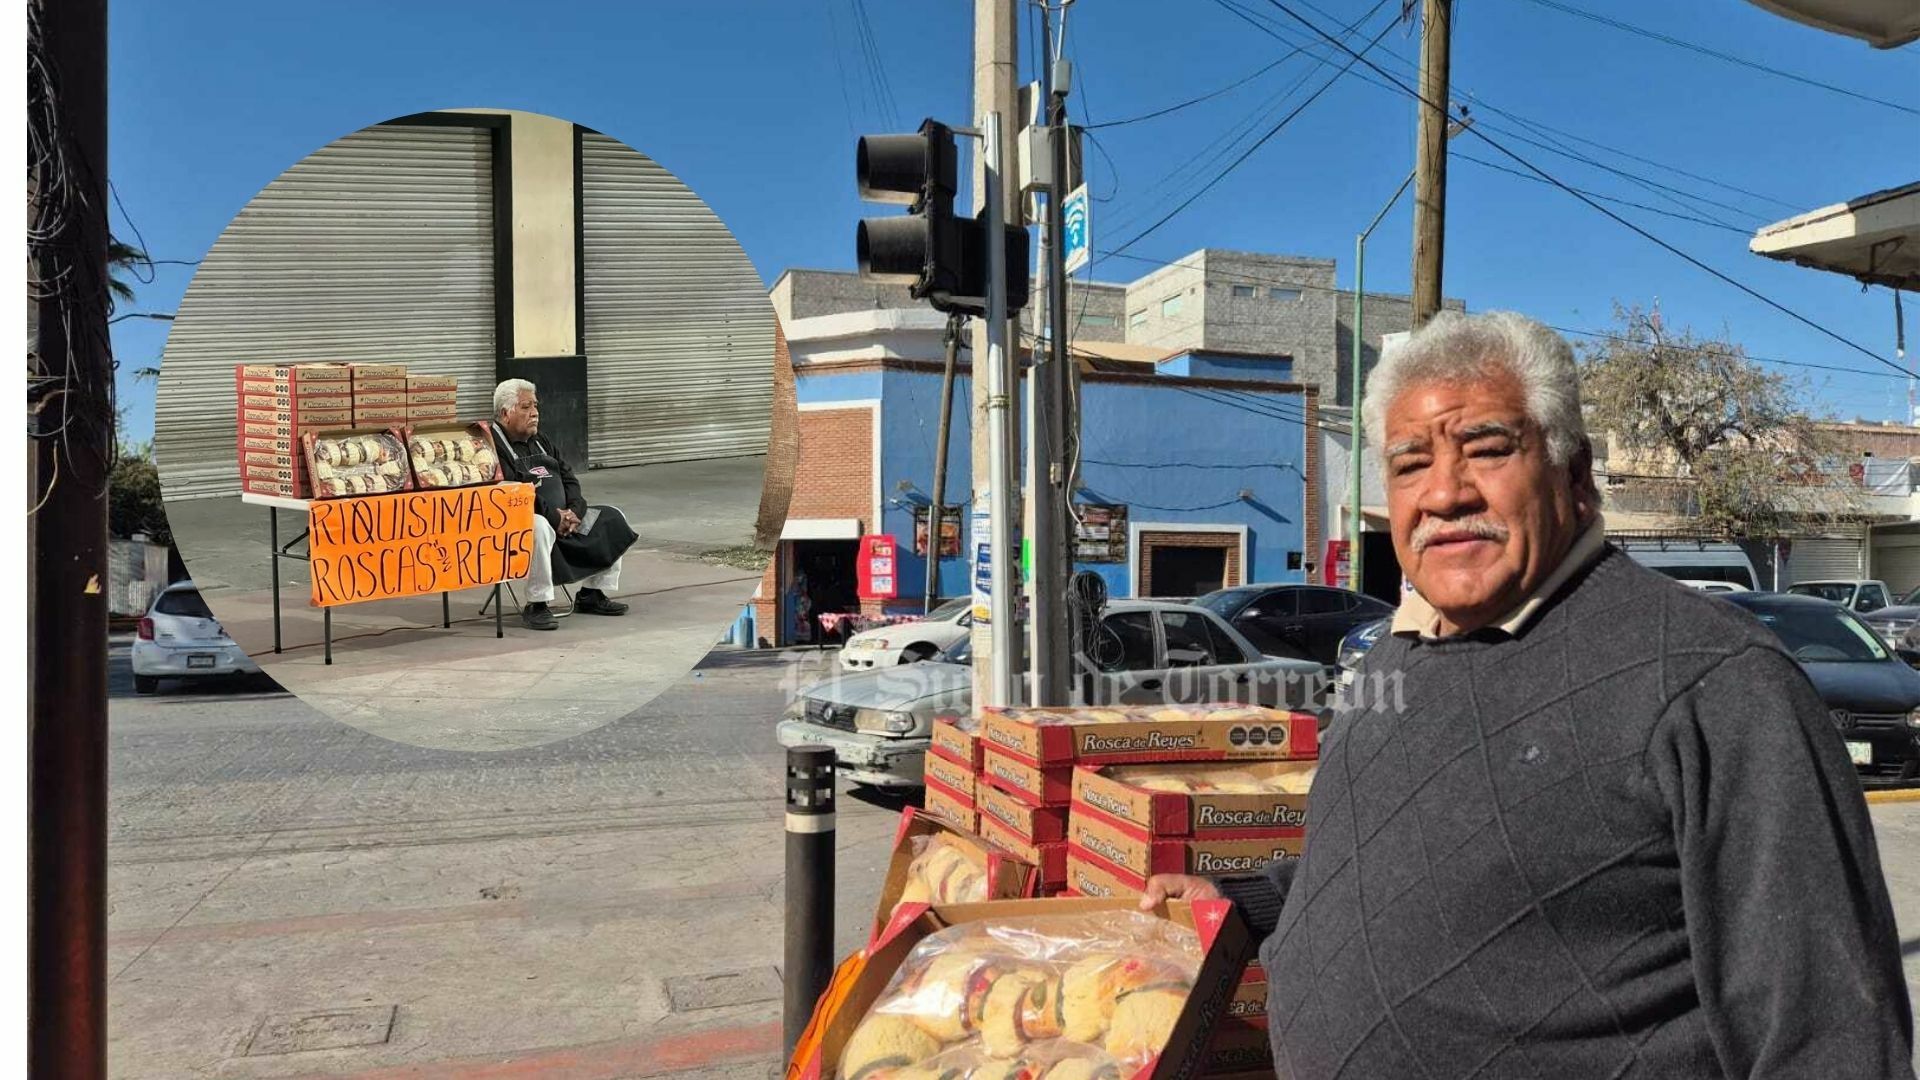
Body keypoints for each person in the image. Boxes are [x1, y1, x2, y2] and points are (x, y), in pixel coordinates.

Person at [1142, 311, 1913, 1078]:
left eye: (1486, 450)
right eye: (1410, 464)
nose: (1444, 493)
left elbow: (1832, 1036)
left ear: (1574, 474)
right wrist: (1252, 904)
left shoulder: (1711, 680)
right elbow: (1389, 861)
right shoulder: (1402, 651)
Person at [490, 379, 638, 631]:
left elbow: (569, 478)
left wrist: (575, 512)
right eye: (526, 407)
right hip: (521, 521)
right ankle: (537, 604)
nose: (535, 413)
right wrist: (554, 518)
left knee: (612, 517)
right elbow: (516, 491)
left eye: (535, 406)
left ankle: (591, 594)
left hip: (565, 519)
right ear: (506, 413)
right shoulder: (493, 445)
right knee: (538, 526)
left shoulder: (542, 440)